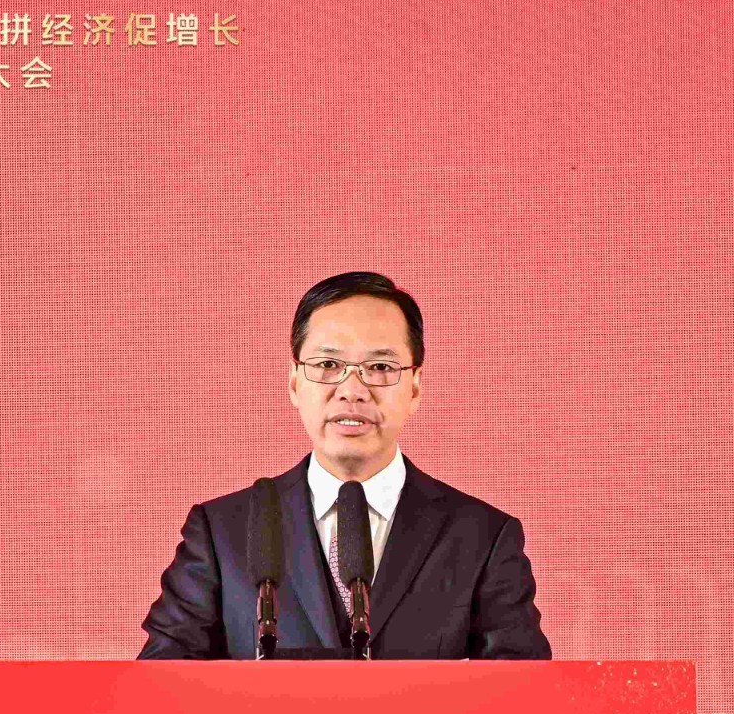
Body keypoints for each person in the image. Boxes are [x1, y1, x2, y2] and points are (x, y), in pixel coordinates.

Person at [138, 271, 551, 660]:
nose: (352, 390)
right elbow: (161, 685)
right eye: (328, 365)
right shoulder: (222, 531)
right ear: (294, 382)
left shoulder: (482, 538)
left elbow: (523, 693)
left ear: (415, 387)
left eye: (380, 367)